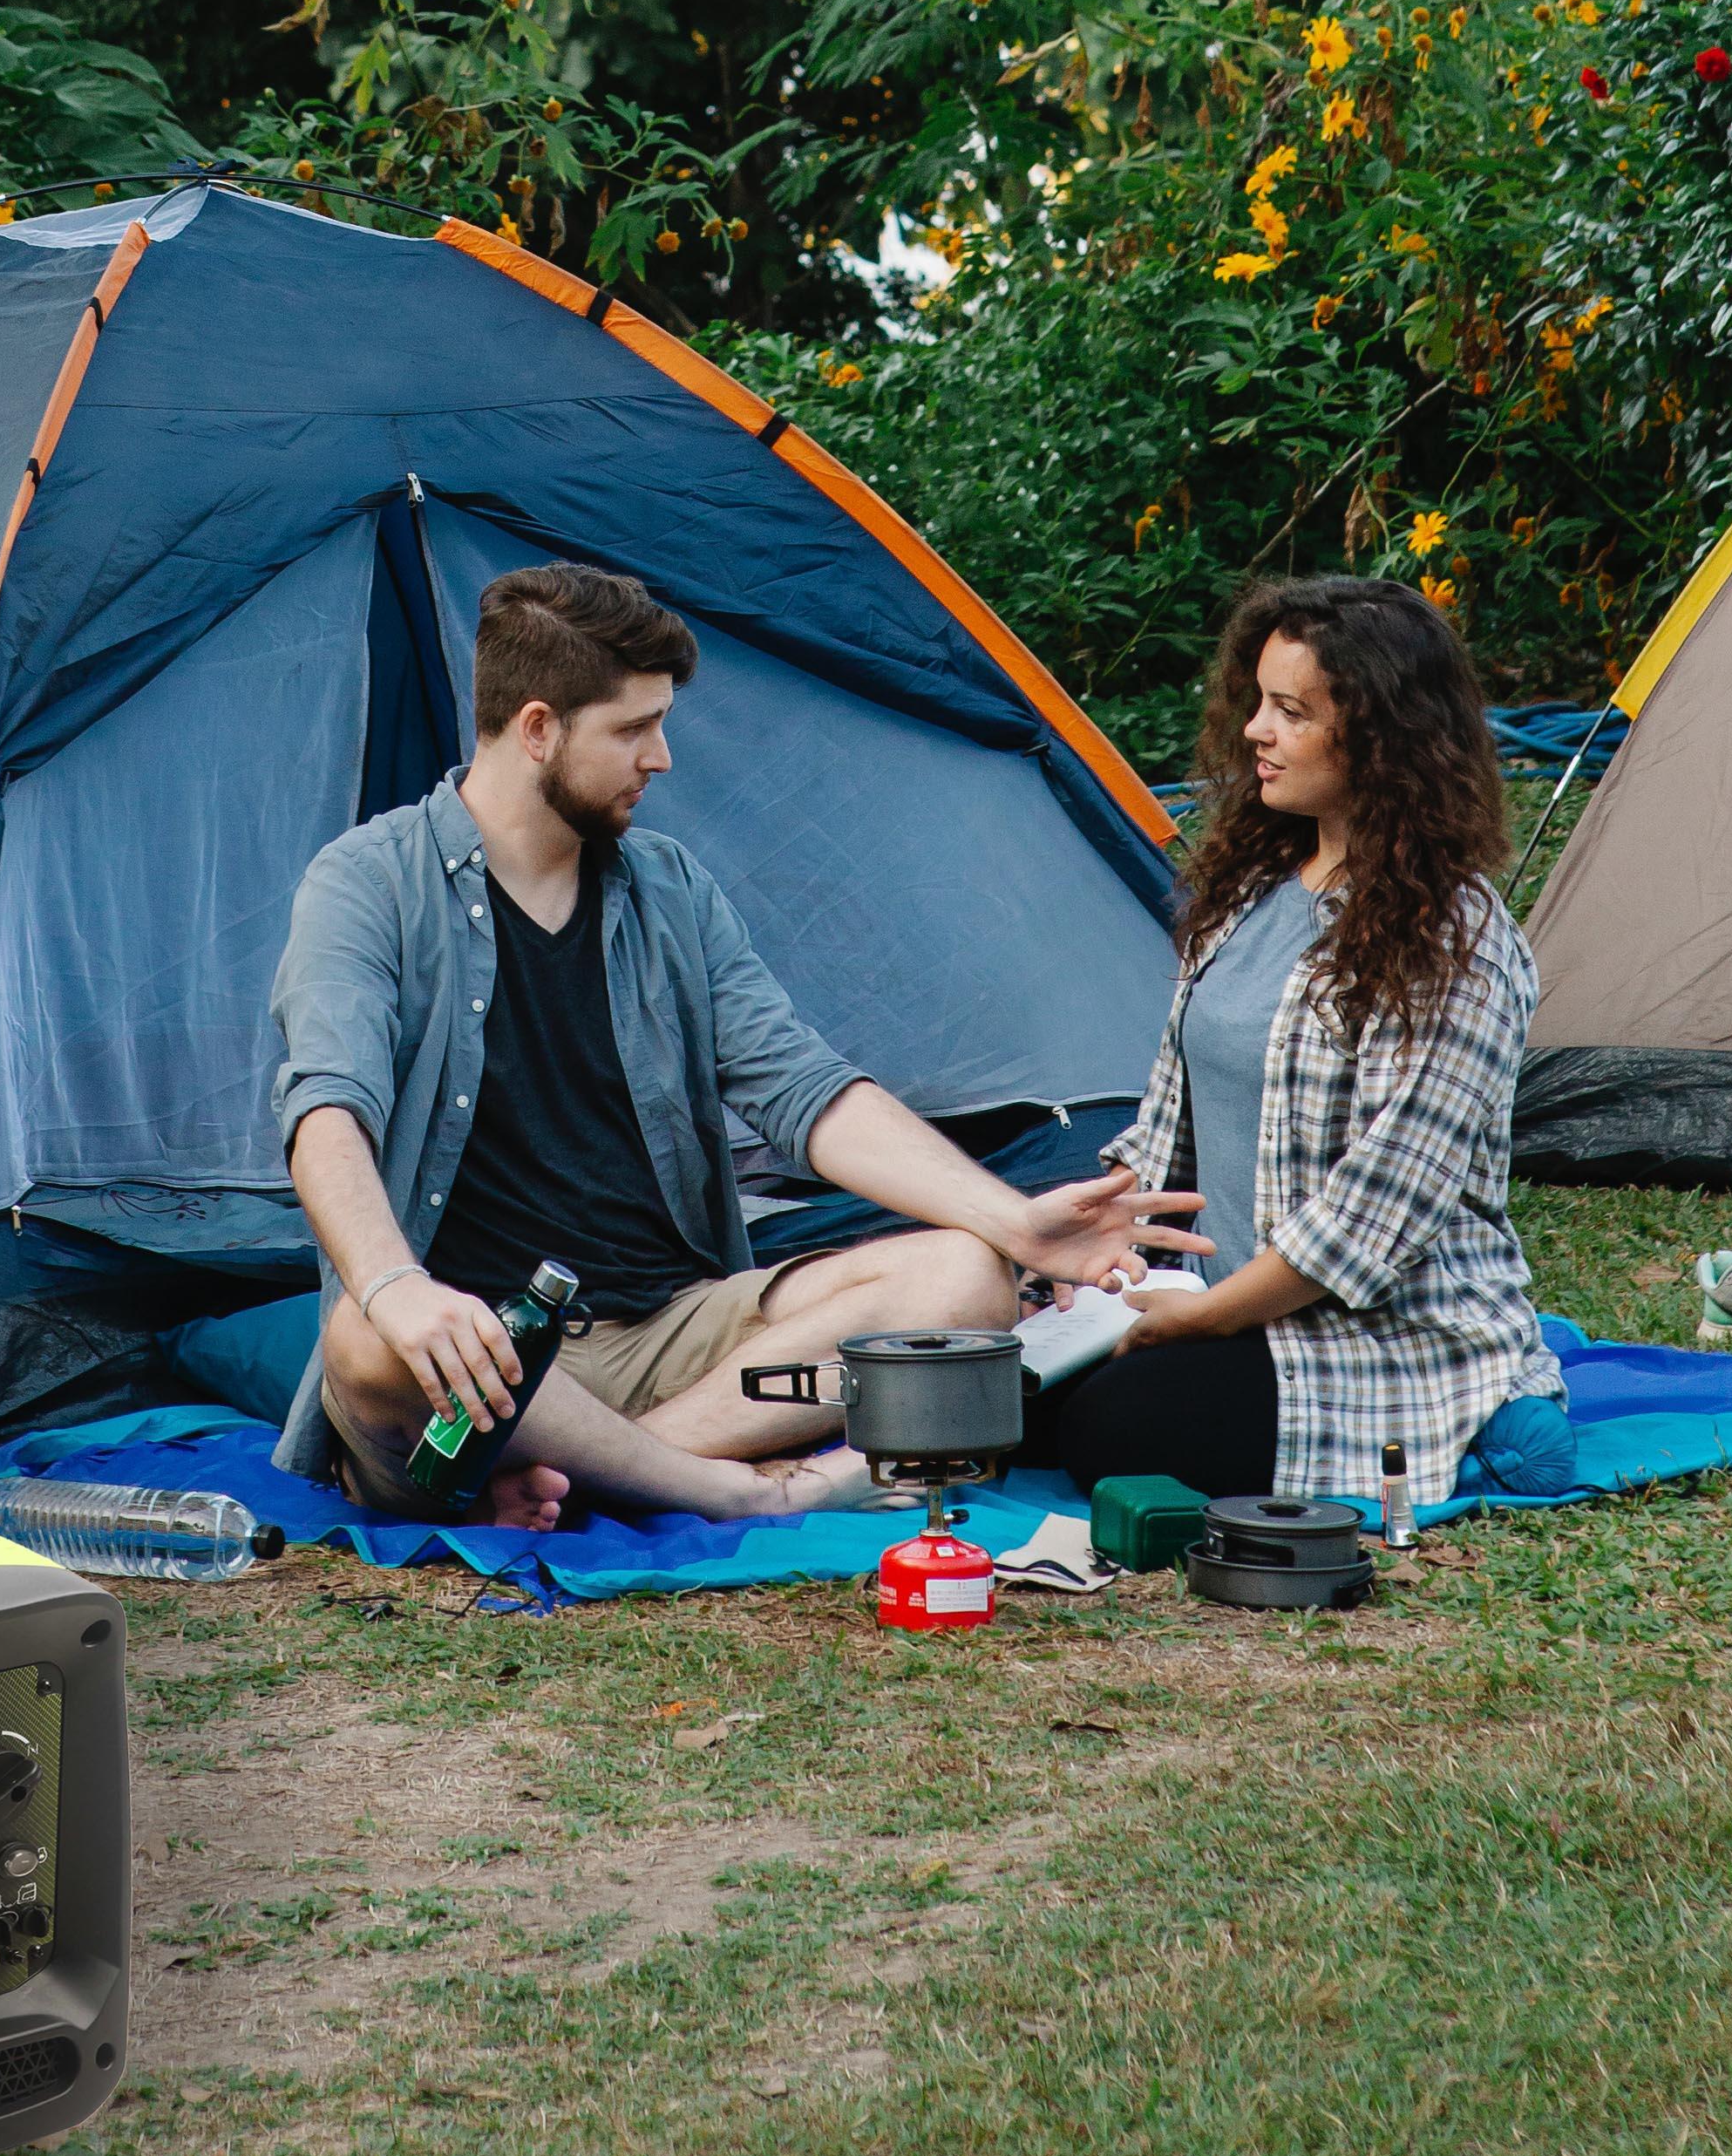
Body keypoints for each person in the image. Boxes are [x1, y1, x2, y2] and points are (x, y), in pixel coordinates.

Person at [267, 561, 1206, 1530]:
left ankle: (607, 1475)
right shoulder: (367, 884)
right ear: (539, 728)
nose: (661, 757)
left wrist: (1016, 1226)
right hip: (481, 1361)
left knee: (966, 1279)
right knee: (364, 1340)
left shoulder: (668, 888)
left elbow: (804, 1090)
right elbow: (327, 1115)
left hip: (679, 1340)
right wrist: (398, 1287)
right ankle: (728, 1486)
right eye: (633, 729)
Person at [1042, 574, 1565, 1507]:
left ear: (1380, 733)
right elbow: (1167, 1129)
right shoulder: (1249, 891)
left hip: (1362, 1324)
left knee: (1114, 1429)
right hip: (1213, 1300)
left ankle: (1494, 1403)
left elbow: (1379, 1211)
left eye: (1291, 711)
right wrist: (1099, 1251)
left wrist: (1198, 1322)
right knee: (1003, 1376)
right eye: (1258, 704)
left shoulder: (1459, 940)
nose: (1255, 732)